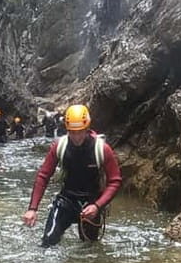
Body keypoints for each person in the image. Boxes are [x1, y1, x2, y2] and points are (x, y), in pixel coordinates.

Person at [22, 104, 122, 247]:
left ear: (87, 128)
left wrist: (97, 206)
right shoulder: (59, 146)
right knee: (47, 243)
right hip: (66, 200)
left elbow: (115, 181)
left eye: (80, 131)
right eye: (72, 132)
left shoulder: (102, 149)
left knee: (89, 248)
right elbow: (43, 176)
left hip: (91, 202)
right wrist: (32, 209)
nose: (76, 136)